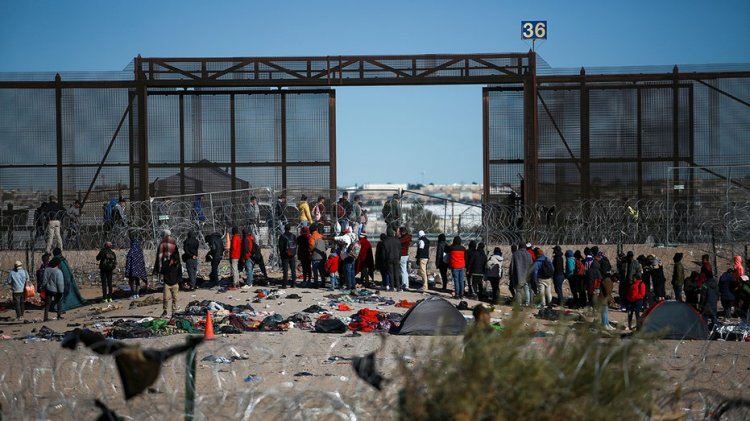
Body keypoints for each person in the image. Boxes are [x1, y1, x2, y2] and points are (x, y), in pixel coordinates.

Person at [124, 231, 148, 299]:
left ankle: (133, 293)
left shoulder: (131, 251)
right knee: (137, 281)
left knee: (131, 282)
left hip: (132, 270)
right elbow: (142, 261)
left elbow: (129, 260)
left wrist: (127, 270)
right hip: (139, 270)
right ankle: (137, 293)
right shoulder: (140, 251)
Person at [43, 257, 65, 321]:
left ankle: (45, 317)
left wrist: (43, 287)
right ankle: (58, 315)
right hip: (56, 290)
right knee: (59, 302)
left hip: (48, 289)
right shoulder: (58, 271)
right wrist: (61, 291)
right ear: (57, 264)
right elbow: (60, 283)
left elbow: (44, 280)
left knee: (47, 304)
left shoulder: (47, 270)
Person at [161, 253, 181, 318]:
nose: (175, 261)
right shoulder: (166, 263)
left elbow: (180, 274)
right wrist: (169, 266)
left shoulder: (178, 265)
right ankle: (165, 310)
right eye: (174, 260)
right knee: (166, 298)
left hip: (175, 284)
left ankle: (174, 312)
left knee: (175, 298)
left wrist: (178, 281)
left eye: (176, 260)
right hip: (167, 283)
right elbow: (162, 272)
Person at [278, 224, 298, 288]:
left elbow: (280, 247)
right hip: (292, 255)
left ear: (284, 229)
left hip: (285, 256)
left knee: (285, 270)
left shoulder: (282, 236)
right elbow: (295, 245)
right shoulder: (293, 236)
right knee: (293, 270)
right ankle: (293, 283)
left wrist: (281, 254)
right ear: (290, 229)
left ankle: (284, 284)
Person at [398, 227, 412, 291]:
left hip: (402, 255)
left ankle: (404, 284)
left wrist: (397, 236)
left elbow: (398, 242)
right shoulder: (408, 237)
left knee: (403, 271)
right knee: (405, 270)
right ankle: (406, 284)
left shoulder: (404, 238)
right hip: (405, 254)